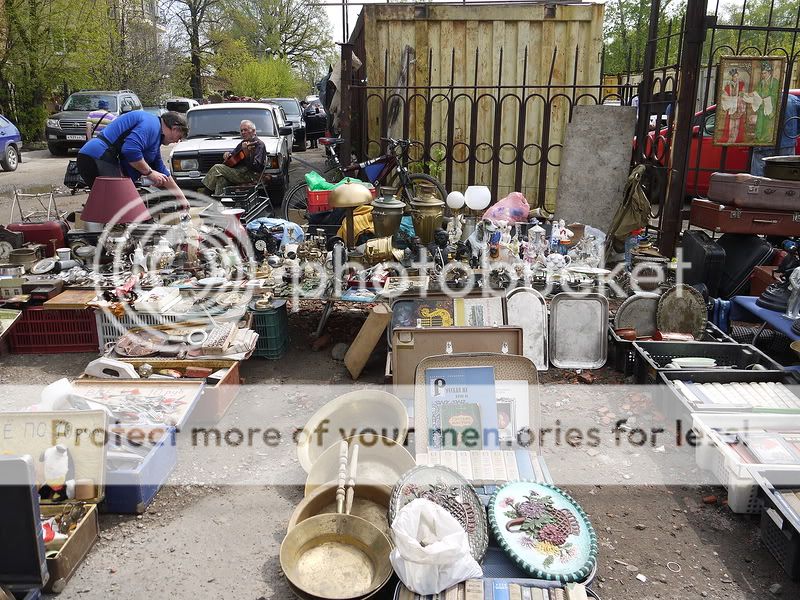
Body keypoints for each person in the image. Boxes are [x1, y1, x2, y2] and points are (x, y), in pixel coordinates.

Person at [77, 110, 188, 202]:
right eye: (180, 136)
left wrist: (180, 196)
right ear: (175, 128)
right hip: (97, 155)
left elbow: (160, 168)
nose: (178, 141)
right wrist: (149, 173)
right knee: (122, 203)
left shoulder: (155, 135)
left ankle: (86, 220)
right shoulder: (152, 124)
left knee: (109, 203)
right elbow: (130, 150)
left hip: (93, 155)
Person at [198, 120, 267, 196]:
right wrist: (227, 155)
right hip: (239, 173)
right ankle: (220, 204)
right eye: (241, 130)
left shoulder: (259, 145)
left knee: (217, 168)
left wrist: (247, 154)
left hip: (251, 175)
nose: (243, 132)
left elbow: (256, 167)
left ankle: (204, 195)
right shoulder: (242, 144)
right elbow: (232, 158)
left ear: (253, 131)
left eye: (245, 130)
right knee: (221, 179)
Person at [753, 62, 781, 145]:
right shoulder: (761, 82)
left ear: (769, 73)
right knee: (760, 123)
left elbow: (775, 95)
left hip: (769, 107)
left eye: (765, 73)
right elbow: (757, 92)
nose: (763, 75)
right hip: (761, 106)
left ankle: (767, 139)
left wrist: (767, 99)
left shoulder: (775, 82)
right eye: (762, 73)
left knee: (768, 124)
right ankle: (759, 138)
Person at [719, 68, 747, 144]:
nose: (736, 78)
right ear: (732, 77)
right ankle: (731, 139)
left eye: (737, 76)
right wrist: (730, 99)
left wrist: (738, 98)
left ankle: (736, 139)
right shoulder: (727, 86)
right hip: (731, 107)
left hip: (738, 107)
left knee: (737, 125)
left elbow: (743, 95)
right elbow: (724, 96)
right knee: (731, 126)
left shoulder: (741, 84)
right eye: (734, 76)